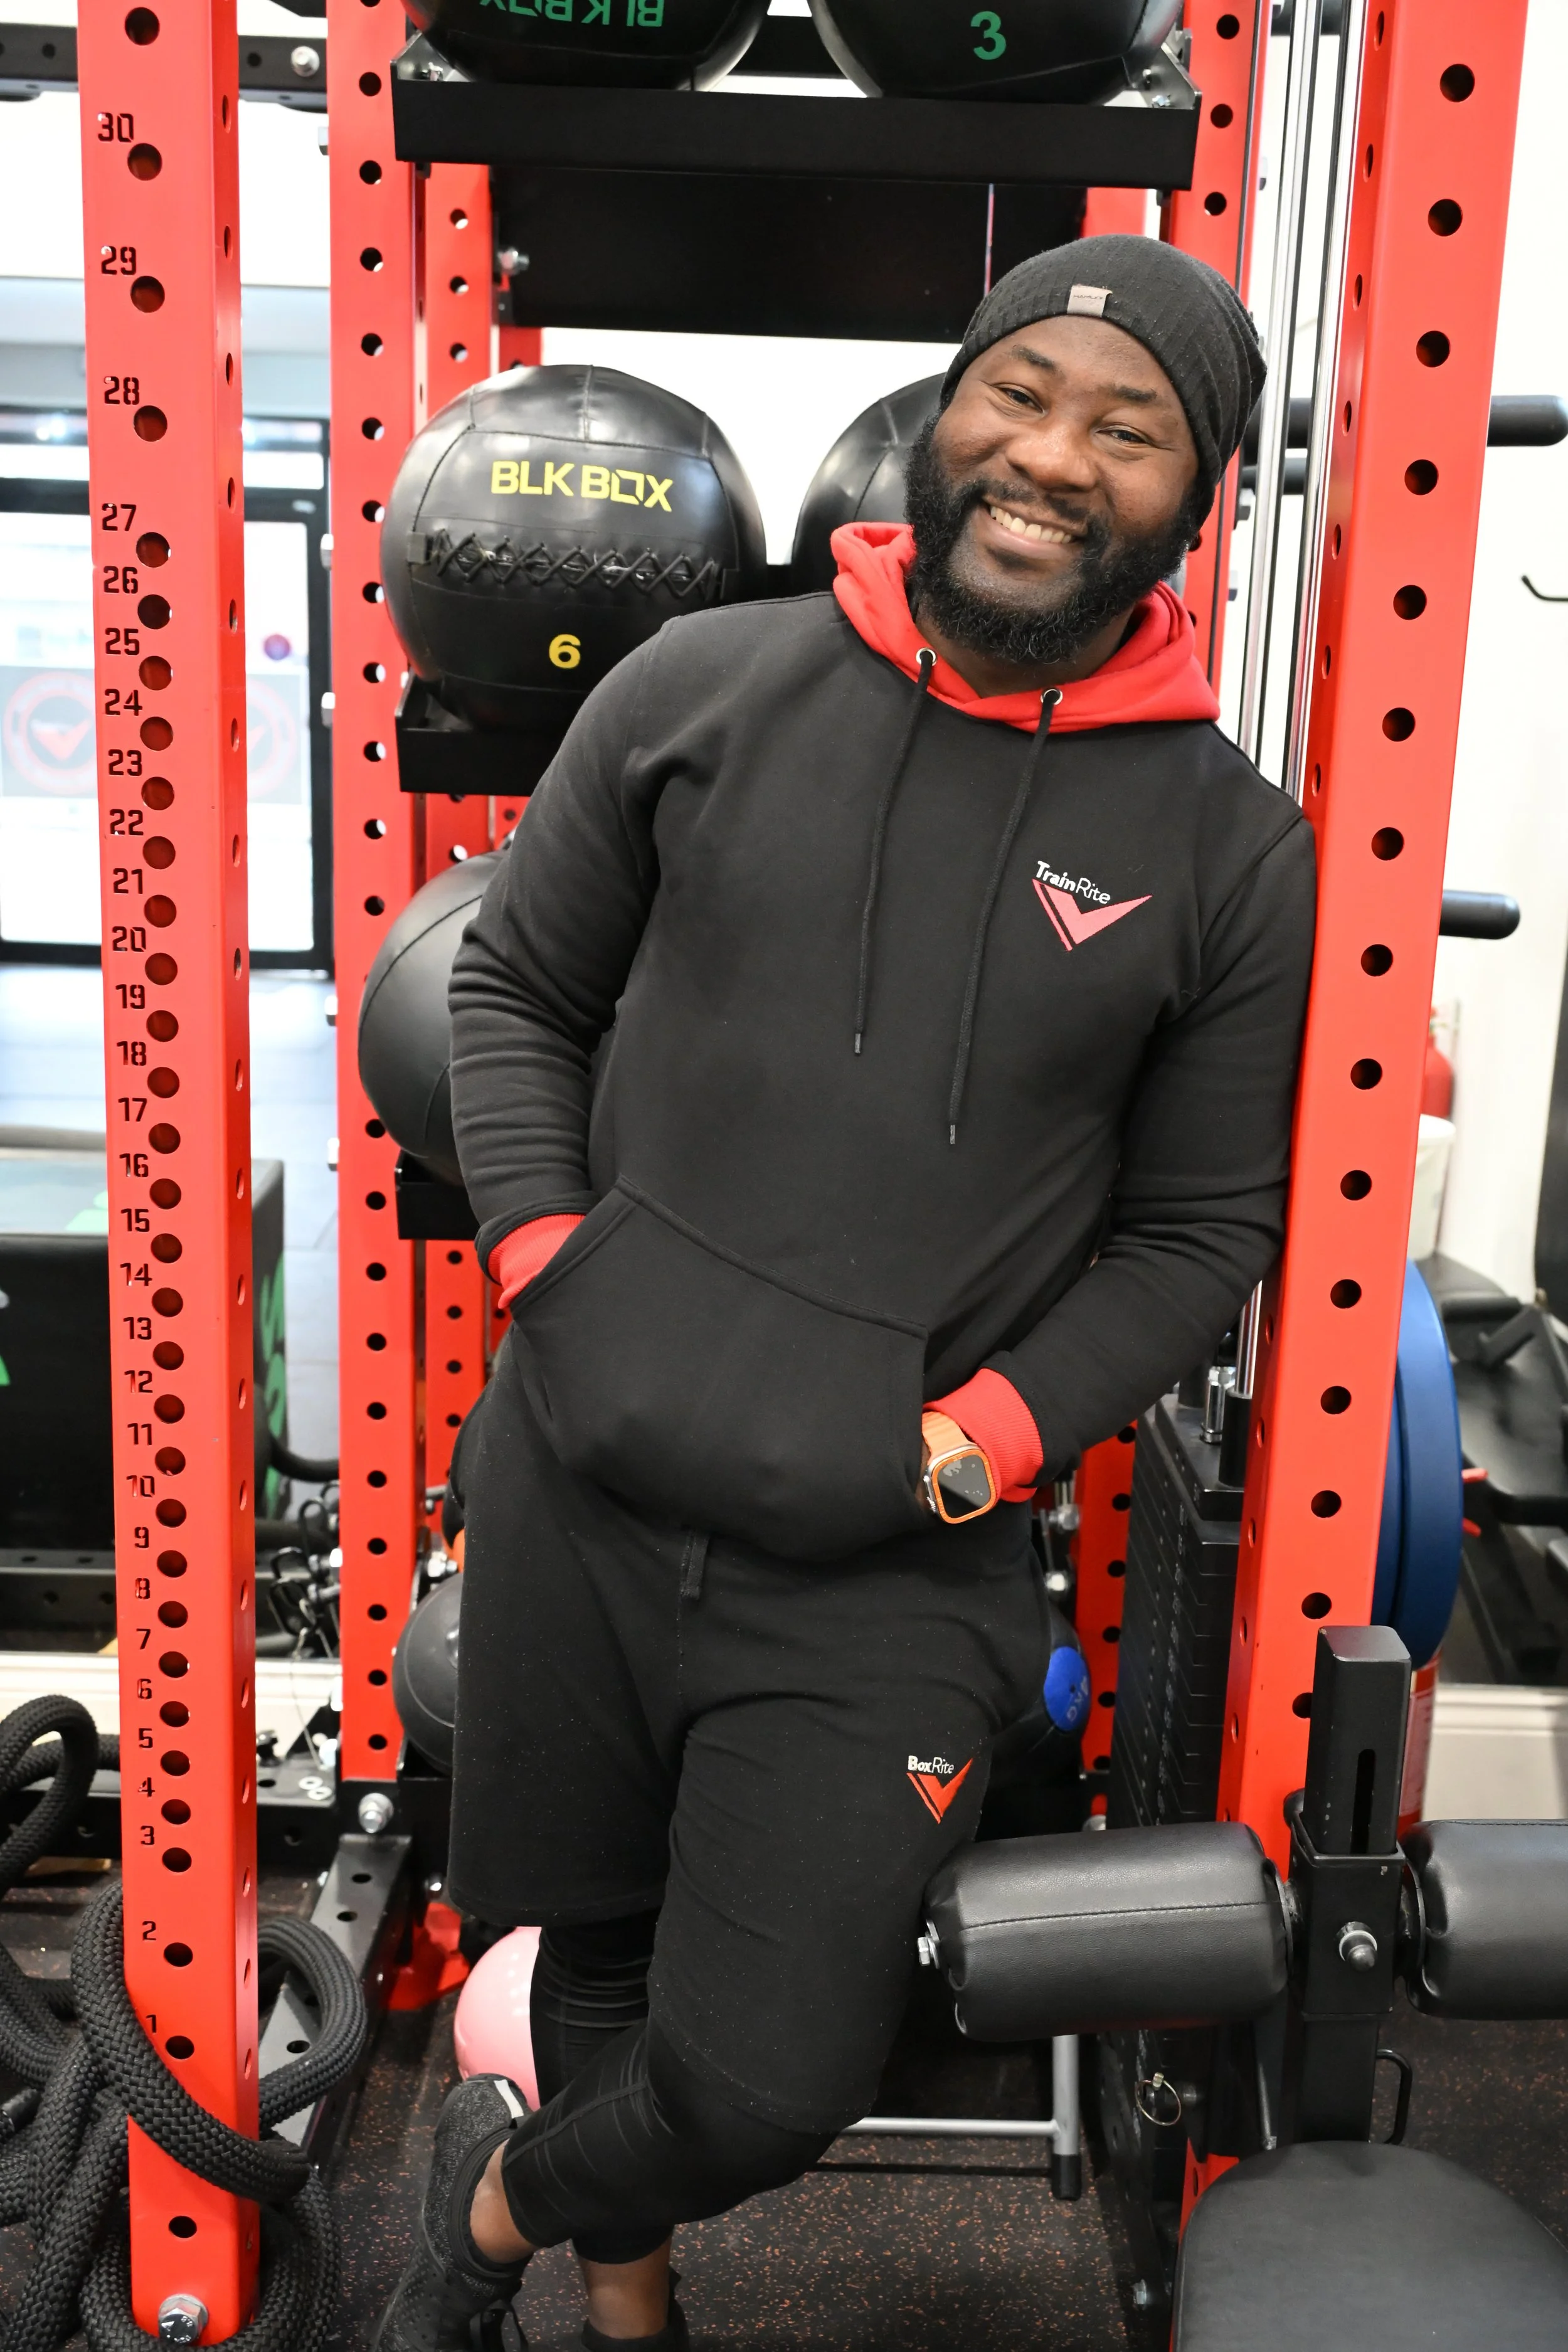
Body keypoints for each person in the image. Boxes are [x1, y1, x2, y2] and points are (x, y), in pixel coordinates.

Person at [376, 234, 1314, 2352]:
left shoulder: (1228, 849)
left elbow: (1197, 1237)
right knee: (594, 1947)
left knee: (764, 2081)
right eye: (1017, 393)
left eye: (1126, 428)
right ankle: (631, 2310)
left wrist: (974, 1443)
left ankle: (494, 2209)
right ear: (948, 407)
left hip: (880, 1560)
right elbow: (514, 993)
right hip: (581, 1482)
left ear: (1195, 495)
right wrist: (551, 1267)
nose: (1049, 457)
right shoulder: (698, 687)